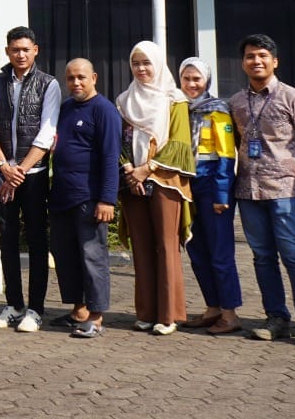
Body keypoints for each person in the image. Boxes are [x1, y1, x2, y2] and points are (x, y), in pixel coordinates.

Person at [229, 33, 295, 349]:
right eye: (249, 56)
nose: (256, 61)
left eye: (262, 56)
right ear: (243, 62)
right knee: (262, 257)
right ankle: (277, 318)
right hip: (249, 191)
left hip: (285, 189)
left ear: (274, 61)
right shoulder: (236, 103)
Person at [115, 41, 195, 336]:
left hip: (164, 181)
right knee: (142, 247)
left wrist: (146, 169)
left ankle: (169, 314)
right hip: (133, 183)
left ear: (158, 64)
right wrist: (129, 170)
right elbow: (121, 141)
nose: (141, 69)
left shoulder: (174, 100)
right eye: (136, 63)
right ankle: (146, 312)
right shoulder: (124, 100)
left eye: (147, 63)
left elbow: (178, 144)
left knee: (165, 246)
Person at [0, 26, 60, 333]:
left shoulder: (49, 84)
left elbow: (47, 132)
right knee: (6, 241)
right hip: (4, 171)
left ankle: (36, 309)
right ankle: (13, 304)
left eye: (25, 49)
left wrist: (19, 172)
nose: (20, 54)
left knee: (37, 241)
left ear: (35, 50)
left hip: (33, 176)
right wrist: (4, 165)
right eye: (15, 49)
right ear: (7, 51)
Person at [48, 59, 120, 339]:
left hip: (90, 199)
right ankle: (79, 310)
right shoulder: (65, 108)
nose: (75, 83)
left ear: (94, 78)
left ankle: (97, 316)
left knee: (93, 257)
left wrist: (107, 200)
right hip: (63, 197)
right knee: (66, 256)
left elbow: (110, 158)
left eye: (81, 77)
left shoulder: (104, 110)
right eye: (70, 78)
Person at [176, 57, 243, 335]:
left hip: (213, 186)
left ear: (207, 81)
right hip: (187, 186)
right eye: (186, 79)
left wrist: (222, 193)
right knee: (197, 250)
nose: (191, 85)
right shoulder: (178, 109)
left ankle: (230, 313)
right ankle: (212, 308)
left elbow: (227, 155)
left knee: (220, 252)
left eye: (197, 79)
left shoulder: (218, 110)